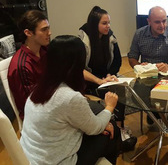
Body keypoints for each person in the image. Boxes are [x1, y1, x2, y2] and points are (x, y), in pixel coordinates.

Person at [20, 35, 121, 164]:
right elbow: (95, 128)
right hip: (57, 161)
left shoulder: (39, 87)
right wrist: (110, 107)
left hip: (31, 156)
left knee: (103, 123)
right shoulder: (70, 97)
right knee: (112, 131)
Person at [79, 5, 137, 151]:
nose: (108, 26)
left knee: (121, 89)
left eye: (109, 22)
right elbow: (79, 69)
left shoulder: (109, 37)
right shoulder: (83, 40)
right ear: (94, 24)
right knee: (112, 93)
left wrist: (110, 75)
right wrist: (99, 80)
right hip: (90, 81)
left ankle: (119, 127)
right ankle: (117, 133)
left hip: (106, 77)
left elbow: (117, 60)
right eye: (104, 23)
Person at [128, 6, 168, 125]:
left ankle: (159, 113)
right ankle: (155, 114)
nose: (162, 25)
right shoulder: (139, 34)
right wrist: (139, 66)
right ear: (149, 22)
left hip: (167, 76)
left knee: (165, 97)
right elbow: (132, 57)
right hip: (146, 76)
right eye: (157, 22)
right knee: (139, 99)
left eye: (164, 21)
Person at [8, 10, 51, 120]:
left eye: (48, 28)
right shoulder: (22, 65)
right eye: (44, 29)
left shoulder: (45, 50)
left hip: (51, 104)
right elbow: (32, 103)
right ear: (28, 33)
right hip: (37, 117)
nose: (49, 33)